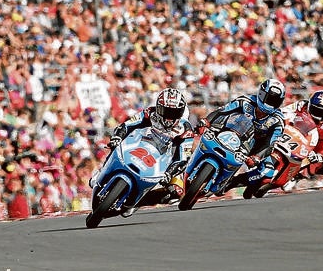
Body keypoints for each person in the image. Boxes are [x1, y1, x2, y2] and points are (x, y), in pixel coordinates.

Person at [89, 88, 195, 216]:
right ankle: (101, 172)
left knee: (176, 192)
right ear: (158, 107)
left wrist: (169, 173)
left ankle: (138, 202)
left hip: (165, 160)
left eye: (173, 113)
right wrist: (117, 137)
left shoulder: (186, 130)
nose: (168, 117)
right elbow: (127, 125)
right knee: (116, 144)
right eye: (166, 111)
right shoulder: (150, 113)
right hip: (140, 144)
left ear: (181, 112)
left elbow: (183, 158)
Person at [197, 78, 286, 193]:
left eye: (274, 101)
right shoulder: (245, 101)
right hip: (229, 131)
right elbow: (222, 111)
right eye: (268, 98)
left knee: (267, 173)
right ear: (261, 94)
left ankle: (232, 182)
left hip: (253, 148)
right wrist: (206, 121)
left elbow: (270, 143)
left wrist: (257, 157)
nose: (269, 103)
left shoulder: (278, 120)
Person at [281, 90, 323, 186]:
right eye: (315, 109)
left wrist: (320, 156)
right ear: (309, 104)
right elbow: (283, 111)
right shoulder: (302, 104)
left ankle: (299, 175)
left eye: (321, 112)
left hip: (316, 143)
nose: (316, 114)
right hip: (295, 132)